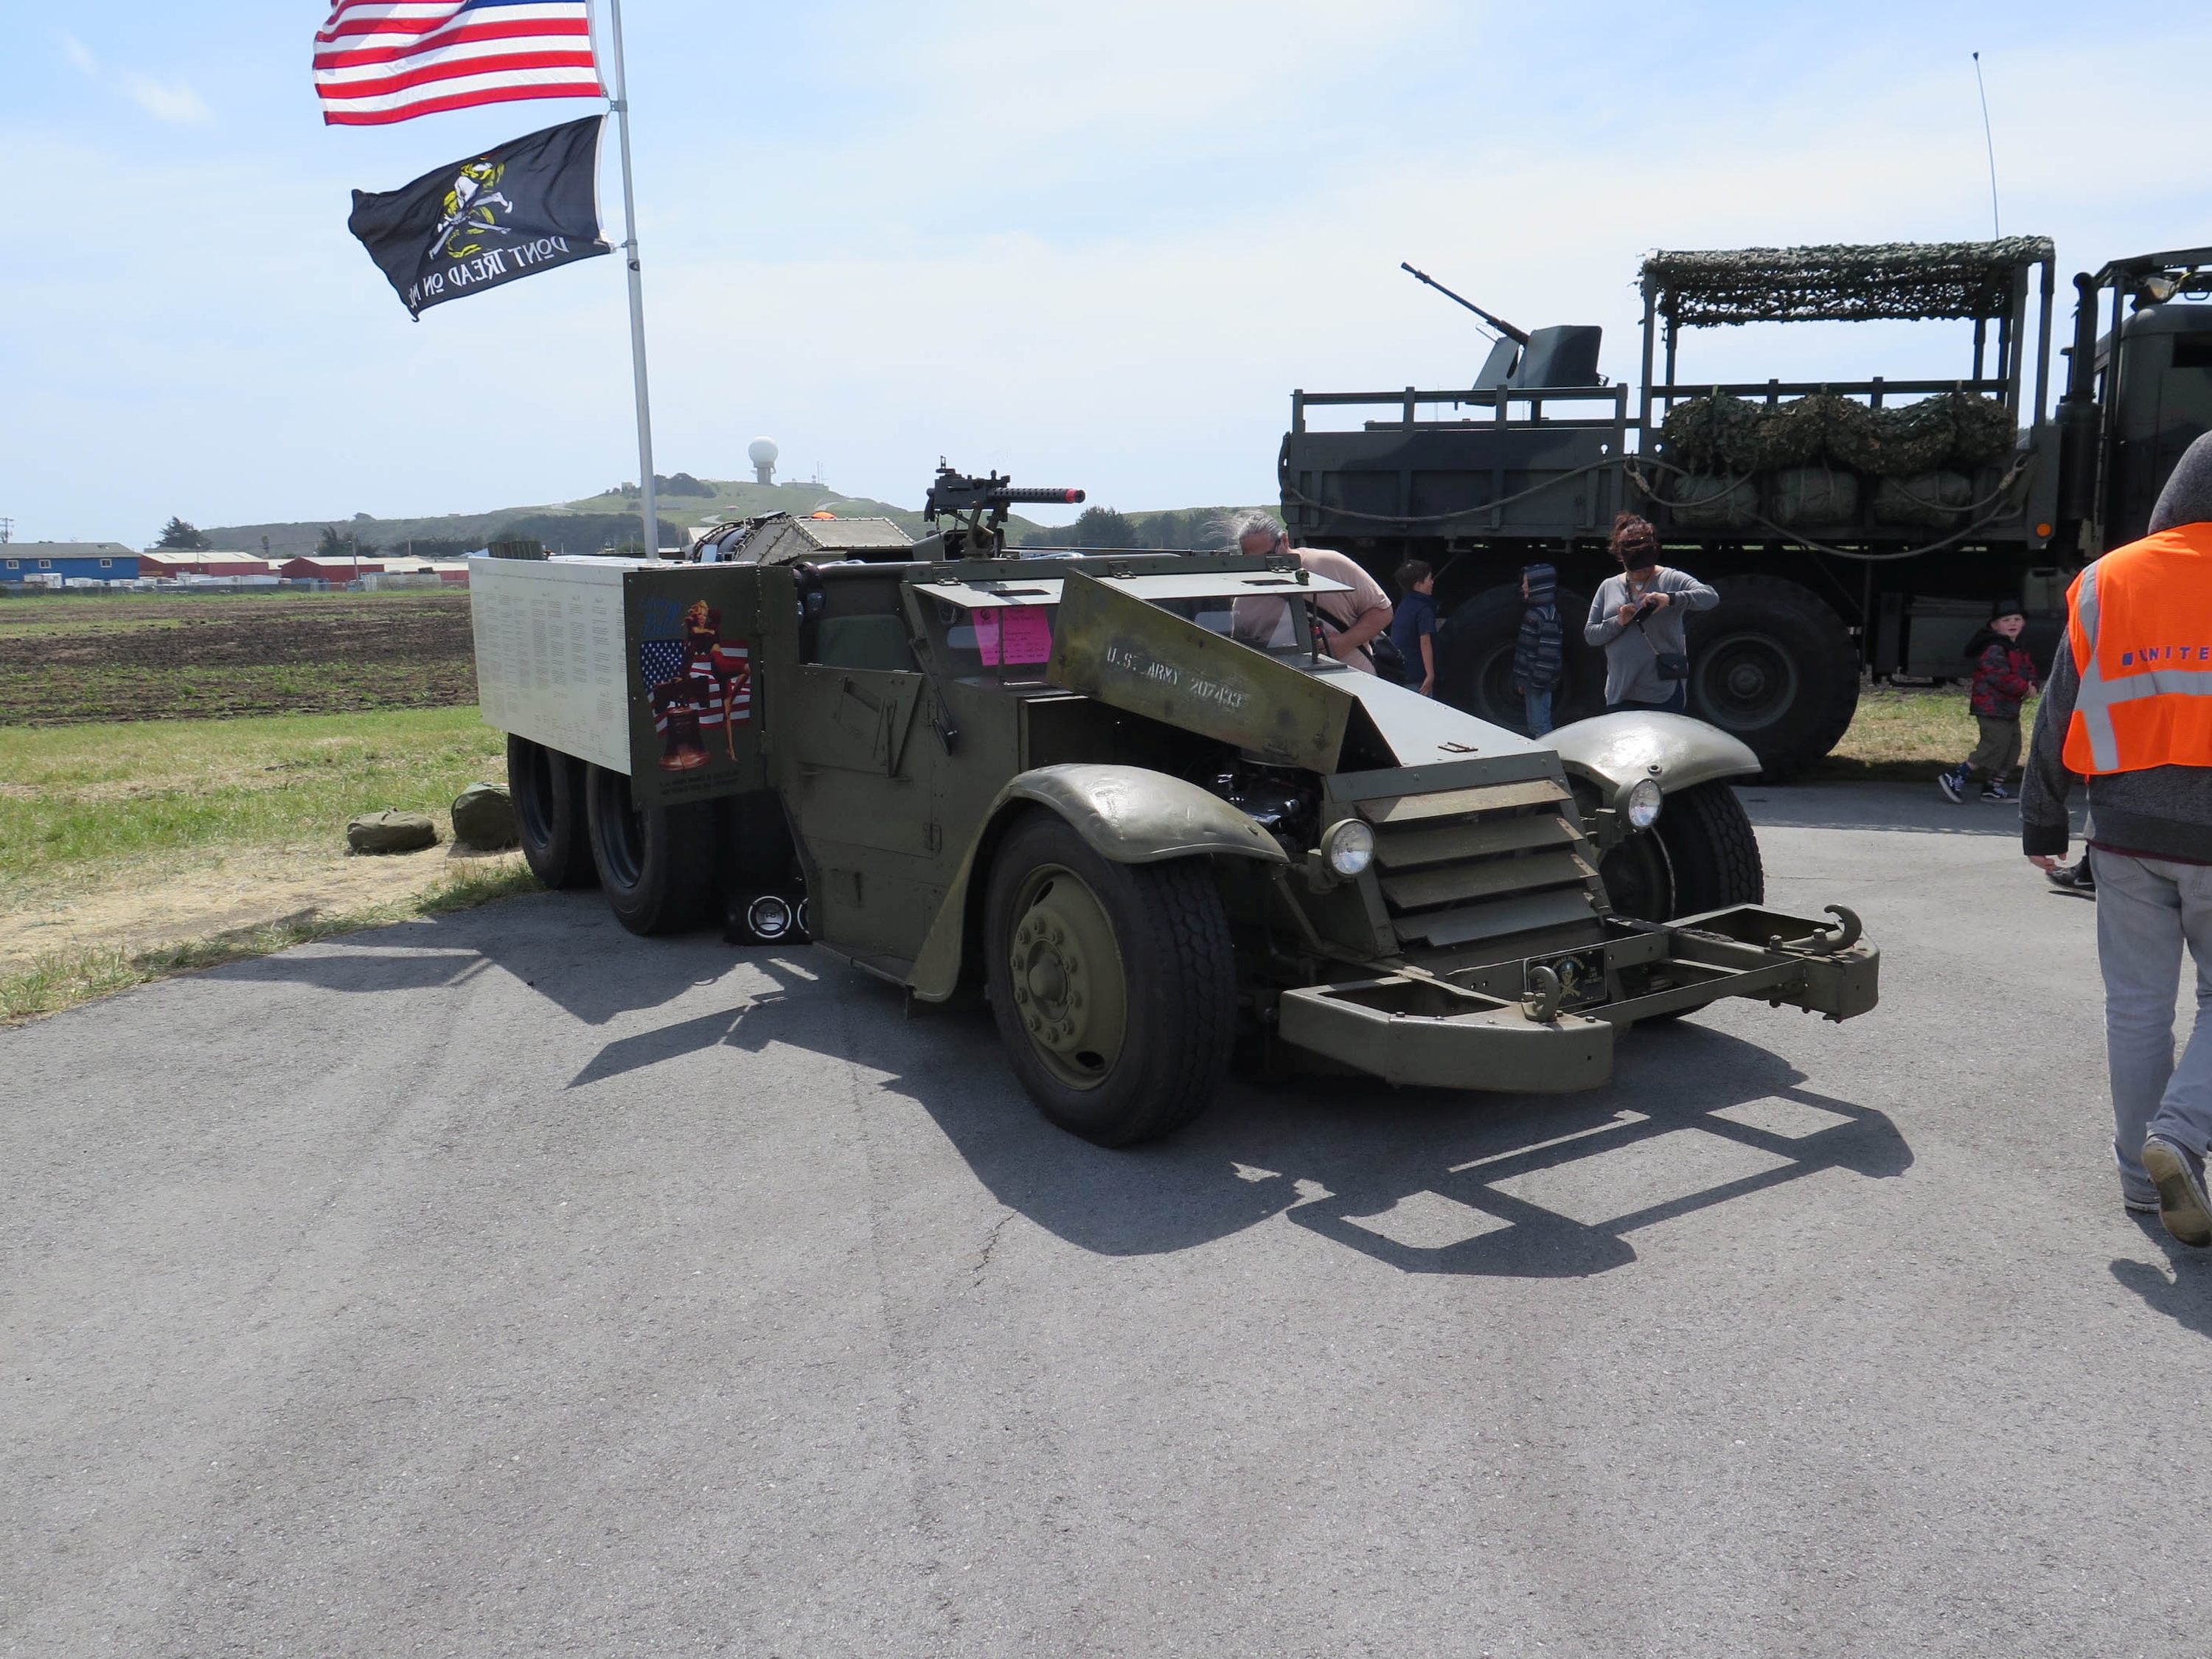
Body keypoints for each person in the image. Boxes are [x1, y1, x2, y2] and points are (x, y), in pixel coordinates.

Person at [2021, 430, 2212, 1242]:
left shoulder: (2108, 578)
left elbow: (2060, 701)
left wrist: (2043, 814)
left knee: (2136, 1008)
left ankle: (2141, 1178)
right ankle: (2182, 1135)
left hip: (2125, 832)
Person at [1225, 512, 1393, 673]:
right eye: (1251, 560)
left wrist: (1344, 642)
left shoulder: (1330, 564)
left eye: (1268, 556)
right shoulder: (1244, 598)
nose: (1261, 565)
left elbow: (1382, 610)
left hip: (1355, 681)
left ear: (1284, 540)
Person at [1582, 515, 1717, 713]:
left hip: (1663, 692)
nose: (1640, 574)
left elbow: (1710, 597)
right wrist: (1618, 622)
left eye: (1646, 569)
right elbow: (1591, 635)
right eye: (1634, 570)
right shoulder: (1608, 586)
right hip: (1620, 693)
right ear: (1621, 556)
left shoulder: (1672, 578)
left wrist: (1669, 599)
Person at [1937, 599, 2038, 804]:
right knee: (1994, 745)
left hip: (2009, 708)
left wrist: (2033, 684)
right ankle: (1956, 776)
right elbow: (1999, 676)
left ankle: (1993, 786)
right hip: (1991, 707)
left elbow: (2029, 669)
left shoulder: (2017, 647)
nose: (2013, 623)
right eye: (2006, 620)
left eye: (2017, 619)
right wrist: (2023, 688)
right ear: (1994, 625)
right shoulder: (1994, 648)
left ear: (2024, 623)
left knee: (2012, 747)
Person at [1512, 561, 1564, 735]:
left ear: (1539, 586)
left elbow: (1548, 655)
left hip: (1538, 683)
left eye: (1527, 583)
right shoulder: (1536, 613)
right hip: (1532, 681)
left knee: (1540, 725)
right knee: (1536, 724)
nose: (1523, 586)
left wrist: (1536, 682)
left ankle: (1548, 750)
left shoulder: (1546, 616)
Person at [1388, 560, 1439, 695]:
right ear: (1418, 585)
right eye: (1429, 579)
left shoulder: (1404, 605)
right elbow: (1425, 641)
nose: (1432, 582)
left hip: (1402, 672)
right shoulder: (1424, 609)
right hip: (1418, 675)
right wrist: (1430, 674)